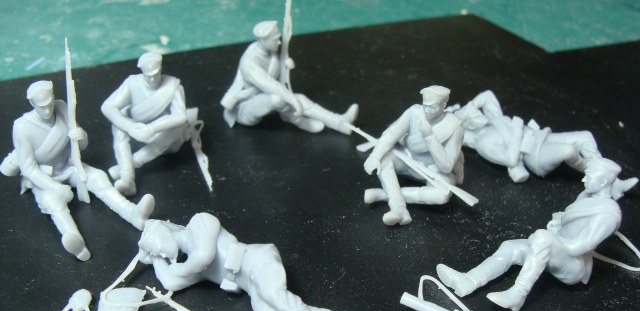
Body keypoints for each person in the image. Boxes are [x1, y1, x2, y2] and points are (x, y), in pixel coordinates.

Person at [137, 212, 358, 311]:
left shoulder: (199, 222)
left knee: (276, 297)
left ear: (164, 229)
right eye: (154, 251)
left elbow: (204, 255)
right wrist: (156, 260)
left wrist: (180, 268)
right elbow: (171, 282)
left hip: (256, 260)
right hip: (250, 285)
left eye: (154, 245)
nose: (158, 251)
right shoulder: (195, 269)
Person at [437, 157, 623, 311]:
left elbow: (578, 247)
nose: (584, 179)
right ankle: (468, 280)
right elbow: (567, 221)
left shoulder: (608, 214)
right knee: (510, 247)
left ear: (603, 181)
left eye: (589, 176)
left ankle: (518, 294)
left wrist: (547, 241)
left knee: (542, 237)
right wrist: (556, 226)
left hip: (573, 265)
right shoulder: (586, 196)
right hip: (555, 250)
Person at [1, 81, 155, 261]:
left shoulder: (62, 107)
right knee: (52, 202)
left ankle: (132, 213)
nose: (47, 110)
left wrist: (81, 136)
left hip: (69, 165)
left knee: (98, 177)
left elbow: (80, 146)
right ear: (32, 103)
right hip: (45, 175)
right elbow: (28, 168)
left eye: (49, 104)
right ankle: (74, 240)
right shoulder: (21, 127)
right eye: (42, 107)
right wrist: (56, 187)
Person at [451, 90, 637, 197]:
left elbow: (487, 95)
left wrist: (467, 106)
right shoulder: (484, 144)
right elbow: (510, 159)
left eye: (476, 111)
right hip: (532, 156)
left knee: (585, 136)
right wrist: (517, 130)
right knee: (568, 151)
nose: (478, 113)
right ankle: (602, 179)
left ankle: (614, 183)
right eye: (474, 115)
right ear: (468, 124)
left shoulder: (493, 119)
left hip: (540, 136)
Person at [220, 20, 358, 135]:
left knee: (301, 99)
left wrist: (283, 65)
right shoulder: (249, 62)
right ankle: (300, 121)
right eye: (275, 39)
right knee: (279, 98)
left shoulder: (270, 52)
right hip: (246, 109)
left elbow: (273, 74)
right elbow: (268, 84)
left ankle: (339, 122)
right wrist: (292, 100)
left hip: (265, 99)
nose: (279, 42)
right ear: (263, 40)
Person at [362, 86, 465, 226]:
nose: (427, 110)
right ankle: (398, 208)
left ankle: (383, 195)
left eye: (432, 107)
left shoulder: (455, 127)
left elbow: (446, 166)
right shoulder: (414, 112)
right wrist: (375, 155)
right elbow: (392, 133)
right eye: (425, 105)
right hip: (408, 159)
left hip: (433, 170)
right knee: (384, 159)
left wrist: (430, 137)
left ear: (443, 105)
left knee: (442, 195)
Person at [102, 52, 201, 196]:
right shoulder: (132, 83)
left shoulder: (173, 86)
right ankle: (128, 179)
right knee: (117, 125)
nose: (153, 79)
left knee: (178, 127)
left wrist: (151, 129)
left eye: (156, 74)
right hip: (136, 129)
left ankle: (125, 168)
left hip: (163, 136)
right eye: (149, 76)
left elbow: (180, 116)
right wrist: (129, 126)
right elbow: (107, 106)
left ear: (161, 69)